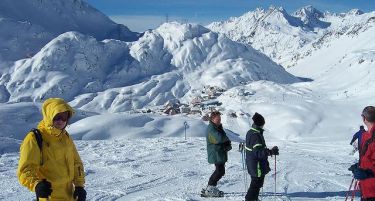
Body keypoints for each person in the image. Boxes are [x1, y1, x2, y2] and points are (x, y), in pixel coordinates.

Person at [17, 98, 86, 201]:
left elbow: (77, 163)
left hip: (70, 196)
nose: (61, 121)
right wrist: (36, 185)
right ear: (49, 116)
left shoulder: (65, 137)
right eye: (57, 117)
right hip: (49, 197)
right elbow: (25, 170)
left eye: (64, 117)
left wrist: (79, 186)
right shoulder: (35, 138)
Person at [245, 112, 279, 201]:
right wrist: (271, 152)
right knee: (256, 184)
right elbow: (258, 152)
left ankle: (254, 198)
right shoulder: (256, 135)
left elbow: (257, 149)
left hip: (253, 163)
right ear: (260, 124)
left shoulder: (251, 132)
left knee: (257, 184)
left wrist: (269, 151)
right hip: (257, 165)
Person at [202, 111, 232, 197]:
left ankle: (211, 187)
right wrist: (226, 141)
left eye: (220, 119)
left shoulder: (217, 127)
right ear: (212, 119)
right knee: (219, 171)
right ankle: (210, 188)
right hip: (216, 153)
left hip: (219, 152)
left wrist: (226, 142)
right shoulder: (211, 129)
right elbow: (219, 138)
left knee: (220, 171)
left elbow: (223, 137)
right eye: (217, 119)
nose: (219, 120)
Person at [349, 106, 375, 201]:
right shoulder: (367, 135)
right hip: (367, 190)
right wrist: (360, 166)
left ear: (364, 119)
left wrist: (367, 173)